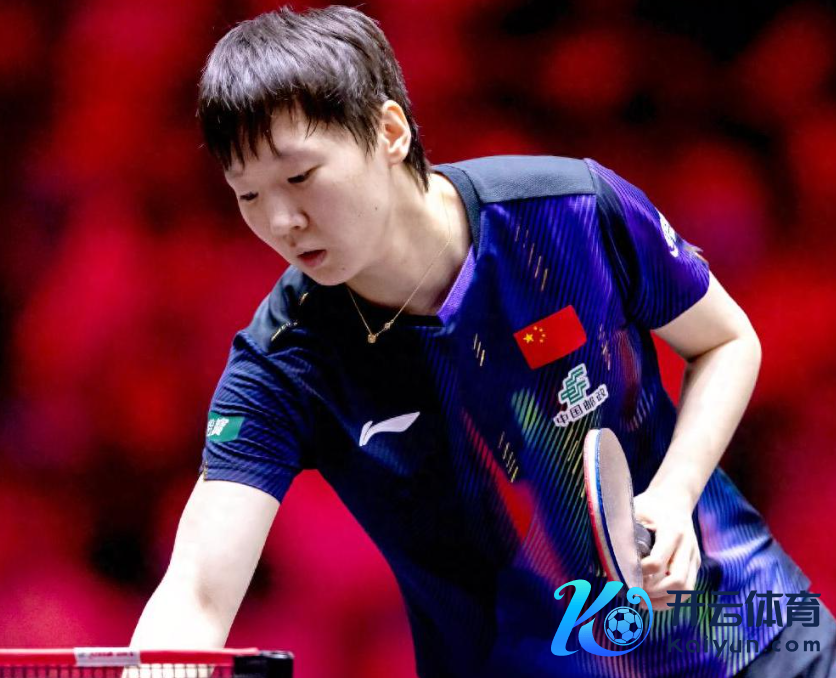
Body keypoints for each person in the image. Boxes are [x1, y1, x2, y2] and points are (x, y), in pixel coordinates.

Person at [129, 6, 834, 678]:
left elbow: (726, 341)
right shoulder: (285, 362)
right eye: (248, 195)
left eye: (299, 176)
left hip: (748, 634)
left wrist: (676, 492)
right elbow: (197, 591)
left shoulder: (568, 213)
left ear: (389, 131)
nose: (282, 221)